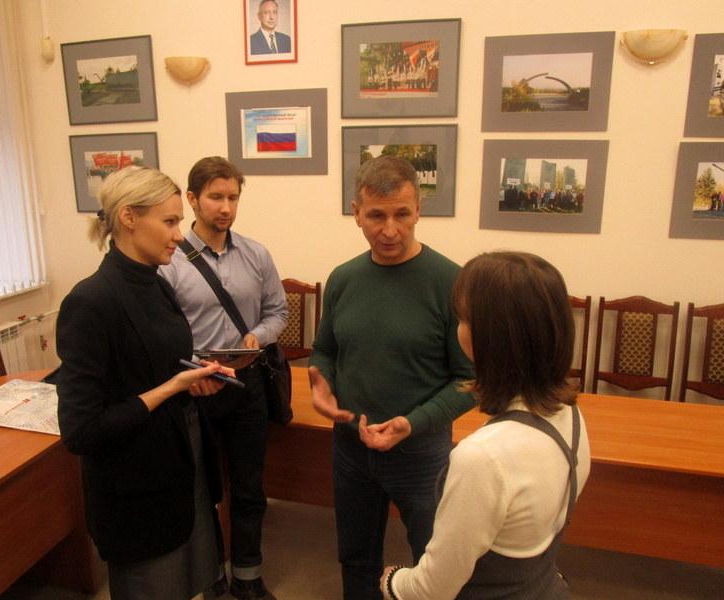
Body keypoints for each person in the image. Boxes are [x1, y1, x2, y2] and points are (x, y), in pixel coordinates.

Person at [56, 166, 232, 600]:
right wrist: (173, 386)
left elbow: (158, 364)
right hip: (135, 485)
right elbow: (81, 431)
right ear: (129, 217)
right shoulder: (90, 301)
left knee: (186, 581)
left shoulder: (157, 284)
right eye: (169, 222)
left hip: (179, 461)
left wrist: (196, 377)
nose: (179, 234)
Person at [308, 155, 475, 600]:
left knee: (433, 561)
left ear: (419, 209)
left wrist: (411, 423)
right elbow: (325, 351)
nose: (390, 230)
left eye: (402, 214)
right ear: (356, 213)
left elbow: (469, 380)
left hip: (420, 452)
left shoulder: (450, 281)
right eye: (376, 216)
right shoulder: (343, 279)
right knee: (355, 556)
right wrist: (321, 384)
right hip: (351, 447)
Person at [380, 251, 592, 600]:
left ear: (490, 337)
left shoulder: (481, 457)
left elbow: (431, 590)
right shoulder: (571, 416)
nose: (458, 328)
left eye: (463, 318)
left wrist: (392, 581)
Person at [160, 156, 286, 600]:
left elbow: (278, 312)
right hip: (195, 388)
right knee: (202, 490)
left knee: (250, 487)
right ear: (192, 199)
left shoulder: (256, 254)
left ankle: (248, 577)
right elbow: (162, 331)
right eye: (216, 197)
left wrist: (258, 336)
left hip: (246, 385)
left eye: (233, 197)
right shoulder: (169, 259)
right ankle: (210, 575)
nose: (226, 207)